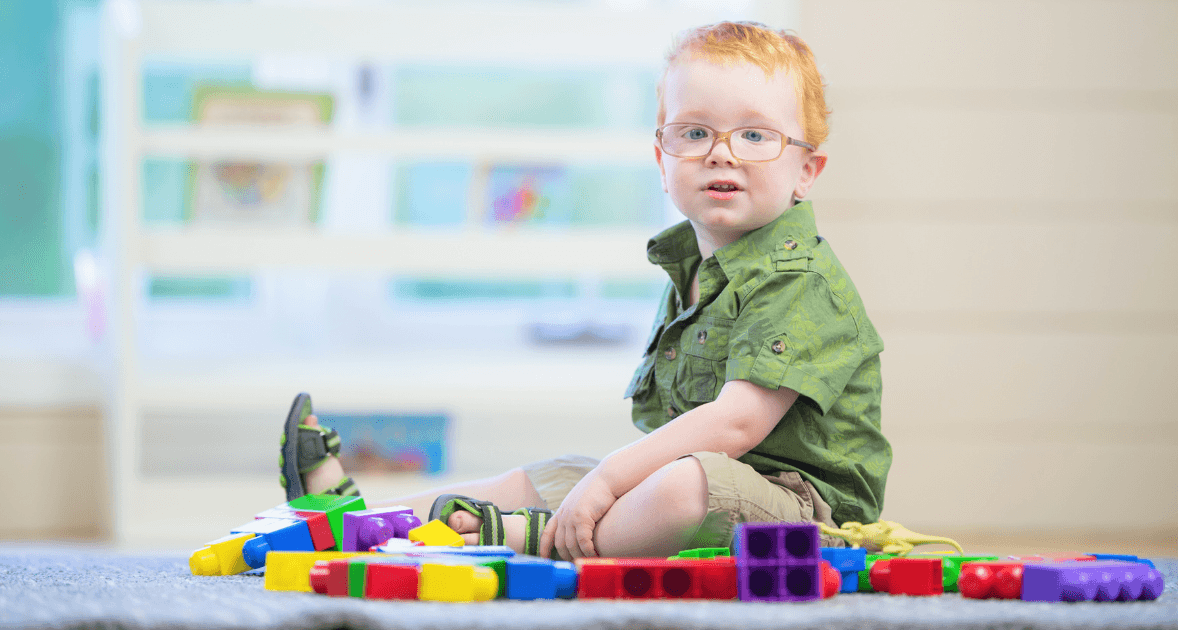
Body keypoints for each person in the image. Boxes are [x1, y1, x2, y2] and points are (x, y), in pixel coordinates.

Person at [279, 21, 891, 562]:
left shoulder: (797, 278)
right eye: (695, 133)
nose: (721, 154)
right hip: (702, 479)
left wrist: (610, 481)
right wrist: (598, 481)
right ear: (661, 159)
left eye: (756, 136)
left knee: (676, 486)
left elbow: (734, 426)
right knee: (554, 474)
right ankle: (361, 522)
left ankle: (529, 537)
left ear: (806, 172)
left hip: (803, 514)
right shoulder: (695, 269)